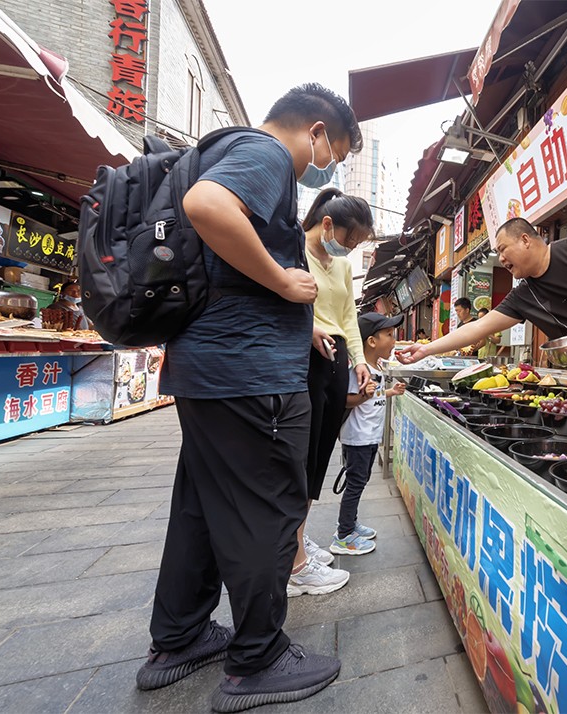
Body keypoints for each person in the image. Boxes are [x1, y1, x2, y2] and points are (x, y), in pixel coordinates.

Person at [139, 83, 362, 712]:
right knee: (268, 509)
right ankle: (257, 658)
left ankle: (178, 638)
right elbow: (207, 206)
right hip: (250, 379)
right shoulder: (264, 154)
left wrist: (303, 319)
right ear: (316, 130)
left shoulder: (221, 148)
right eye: (333, 151)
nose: (328, 165)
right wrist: (284, 282)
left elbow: (221, 262)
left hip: (210, 371)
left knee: (202, 510)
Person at [399, 218, 567, 380]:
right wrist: (426, 350)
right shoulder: (523, 295)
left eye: (503, 249)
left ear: (525, 240)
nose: (502, 258)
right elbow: (477, 328)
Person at [287, 187, 376, 597]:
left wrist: (358, 359)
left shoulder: (340, 268)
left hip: (336, 358)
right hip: (302, 357)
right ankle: (293, 563)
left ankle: (297, 544)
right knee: (299, 456)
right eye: (350, 240)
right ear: (327, 225)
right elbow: (276, 301)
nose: (350, 249)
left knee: (320, 454)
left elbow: (349, 319)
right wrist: (308, 329)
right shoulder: (290, 247)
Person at [331, 312, 406, 555]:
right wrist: (365, 394)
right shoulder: (358, 369)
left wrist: (390, 392)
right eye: (389, 335)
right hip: (358, 437)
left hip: (370, 436)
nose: (394, 341)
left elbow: (371, 398)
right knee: (355, 484)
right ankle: (343, 536)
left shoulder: (377, 368)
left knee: (360, 482)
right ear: (371, 341)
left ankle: (350, 524)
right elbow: (346, 400)